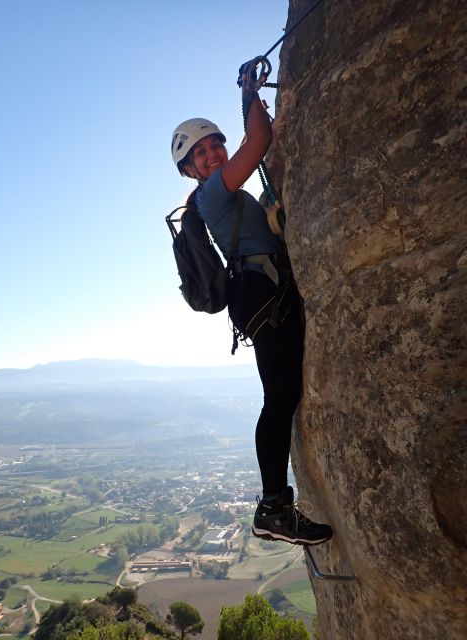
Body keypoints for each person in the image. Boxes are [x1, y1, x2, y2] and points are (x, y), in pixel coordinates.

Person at [171, 91, 333, 546]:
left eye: (213, 146)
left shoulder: (230, 194)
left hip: (262, 292)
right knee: (279, 398)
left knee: (283, 394)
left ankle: (275, 504)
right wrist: (248, 92)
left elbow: (252, 143)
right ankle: (273, 507)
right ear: (188, 170)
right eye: (198, 154)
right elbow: (259, 139)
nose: (210, 155)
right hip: (260, 293)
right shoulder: (213, 195)